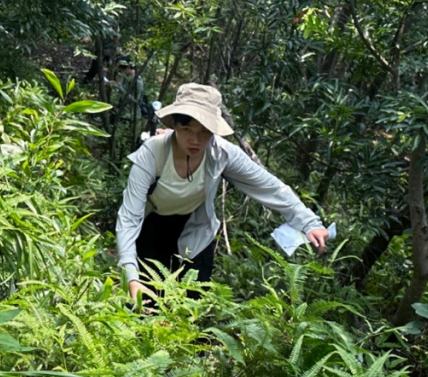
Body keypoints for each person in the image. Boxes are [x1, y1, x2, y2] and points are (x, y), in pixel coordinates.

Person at [116, 83, 331, 305]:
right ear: (175, 125)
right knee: (148, 302)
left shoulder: (221, 153)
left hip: (196, 227)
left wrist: (308, 222)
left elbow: (270, 187)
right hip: (151, 227)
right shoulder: (153, 153)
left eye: (205, 131)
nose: (195, 140)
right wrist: (130, 276)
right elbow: (129, 217)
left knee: (191, 304)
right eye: (187, 129)